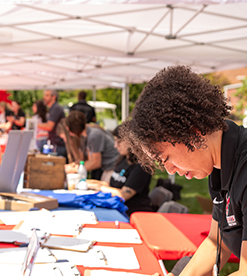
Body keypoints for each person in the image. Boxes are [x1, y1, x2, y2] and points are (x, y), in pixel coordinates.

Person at [120, 65, 240, 276]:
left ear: (191, 131)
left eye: (167, 158)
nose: (170, 170)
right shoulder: (220, 164)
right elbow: (215, 242)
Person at [85, 125, 152, 216]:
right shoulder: (123, 160)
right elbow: (112, 184)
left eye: (119, 142)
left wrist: (98, 188)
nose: (115, 145)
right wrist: (89, 183)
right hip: (116, 210)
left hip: (131, 214)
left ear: (131, 142)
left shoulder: (142, 167)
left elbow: (123, 195)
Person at [63, 111, 119, 183]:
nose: (69, 133)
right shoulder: (88, 134)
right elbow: (90, 159)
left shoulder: (93, 135)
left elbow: (96, 163)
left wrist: (75, 169)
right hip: (108, 168)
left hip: (112, 168)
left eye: (68, 129)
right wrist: (76, 164)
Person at [38, 89, 66, 157]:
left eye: (47, 95)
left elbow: (49, 126)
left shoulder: (56, 108)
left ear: (53, 97)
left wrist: (33, 124)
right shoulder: (53, 108)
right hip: (56, 143)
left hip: (58, 145)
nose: (44, 97)